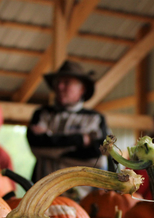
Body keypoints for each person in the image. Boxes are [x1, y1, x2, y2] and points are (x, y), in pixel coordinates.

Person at [27, 61, 110, 190]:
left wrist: (51, 141)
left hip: (84, 196)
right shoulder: (41, 114)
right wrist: (81, 140)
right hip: (42, 195)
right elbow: (36, 146)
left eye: (66, 82)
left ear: (81, 89)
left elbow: (98, 155)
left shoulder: (95, 118)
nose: (60, 86)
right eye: (57, 82)